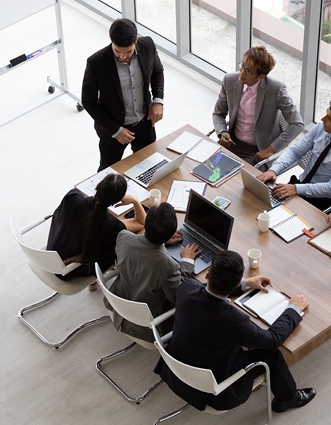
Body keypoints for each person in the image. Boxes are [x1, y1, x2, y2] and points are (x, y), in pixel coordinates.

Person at [158, 250, 315, 413]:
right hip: (214, 391)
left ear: (207, 276)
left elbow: (205, 291)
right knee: (272, 354)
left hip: (175, 369)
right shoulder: (234, 321)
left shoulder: (186, 288)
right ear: (236, 284)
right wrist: (294, 309)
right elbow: (273, 339)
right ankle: (288, 399)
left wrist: (246, 283)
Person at [105, 202, 200, 342]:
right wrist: (186, 261)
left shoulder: (123, 236)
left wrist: (160, 240)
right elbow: (178, 296)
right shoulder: (168, 265)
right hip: (146, 324)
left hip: (119, 302)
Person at [81, 18, 165, 172]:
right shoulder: (96, 63)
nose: (122, 57)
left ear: (136, 40)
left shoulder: (148, 45)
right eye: (117, 51)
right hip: (112, 129)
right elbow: (88, 101)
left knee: (149, 167)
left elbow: (157, 71)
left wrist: (158, 100)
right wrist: (116, 130)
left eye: (128, 52)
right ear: (111, 41)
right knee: (108, 173)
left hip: (144, 122)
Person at [258, 96, 331, 211]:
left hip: (321, 200)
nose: (322, 119)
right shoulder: (321, 127)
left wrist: (296, 189)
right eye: (326, 113)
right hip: (298, 185)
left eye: (329, 119)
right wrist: (273, 170)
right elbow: (295, 152)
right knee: (259, 206)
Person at [46, 173, 145, 288]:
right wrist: (135, 200)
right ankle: (93, 282)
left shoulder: (73, 197)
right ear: (117, 201)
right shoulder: (112, 226)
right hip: (68, 271)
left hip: (51, 256)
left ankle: (93, 284)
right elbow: (141, 223)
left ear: (98, 185)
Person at [212, 46, 303, 165]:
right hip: (231, 143)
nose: (242, 72)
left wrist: (270, 150)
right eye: (242, 66)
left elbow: (297, 124)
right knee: (205, 169)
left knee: (237, 181)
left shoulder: (276, 89)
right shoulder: (229, 80)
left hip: (257, 152)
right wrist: (222, 132)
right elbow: (218, 113)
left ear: (261, 77)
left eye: (248, 71)